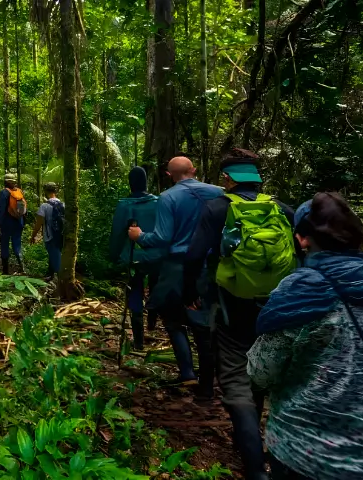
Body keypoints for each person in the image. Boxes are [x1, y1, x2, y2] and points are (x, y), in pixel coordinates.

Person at [248, 192, 363, 480]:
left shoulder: (295, 295)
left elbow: (260, 373)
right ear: (358, 237)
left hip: (305, 455)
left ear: (302, 240)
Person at [183, 149, 296, 480]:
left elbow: (193, 256)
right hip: (277, 310)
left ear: (228, 179)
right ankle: (269, 453)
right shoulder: (283, 210)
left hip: (232, 308)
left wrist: (190, 294)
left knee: (235, 379)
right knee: (264, 369)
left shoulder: (217, 208)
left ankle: (253, 466)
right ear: (257, 177)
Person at [128, 156, 223, 390]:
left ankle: (187, 372)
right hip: (209, 266)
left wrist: (139, 236)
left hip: (178, 266)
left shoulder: (168, 197)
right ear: (194, 170)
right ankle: (208, 383)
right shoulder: (218, 193)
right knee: (203, 324)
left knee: (172, 320)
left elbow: (162, 237)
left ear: (169, 175)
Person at [109, 167, 164, 350]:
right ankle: (152, 321)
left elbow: (117, 234)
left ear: (130, 183)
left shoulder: (125, 205)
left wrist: (114, 255)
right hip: (158, 256)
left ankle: (139, 341)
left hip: (134, 257)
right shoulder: (159, 202)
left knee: (135, 293)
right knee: (155, 287)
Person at [30, 182, 65, 281]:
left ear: (45, 191)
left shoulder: (44, 206)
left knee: (55, 256)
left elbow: (38, 224)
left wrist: (33, 236)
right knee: (55, 254)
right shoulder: (63, 204)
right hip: (61, 235)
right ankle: (51, 275)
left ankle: (60, 280)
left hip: (49, 236)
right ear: (56, 191)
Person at [0, 173, 27, 274]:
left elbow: (1, 210)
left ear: (5, 181)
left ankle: (5, 270)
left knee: (5, 244)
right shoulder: (19, 192)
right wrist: (23, 222)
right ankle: (22, 267)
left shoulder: (4, 193)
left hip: (7, 223)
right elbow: (24, 209)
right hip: (19, 222)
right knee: (17, 245)